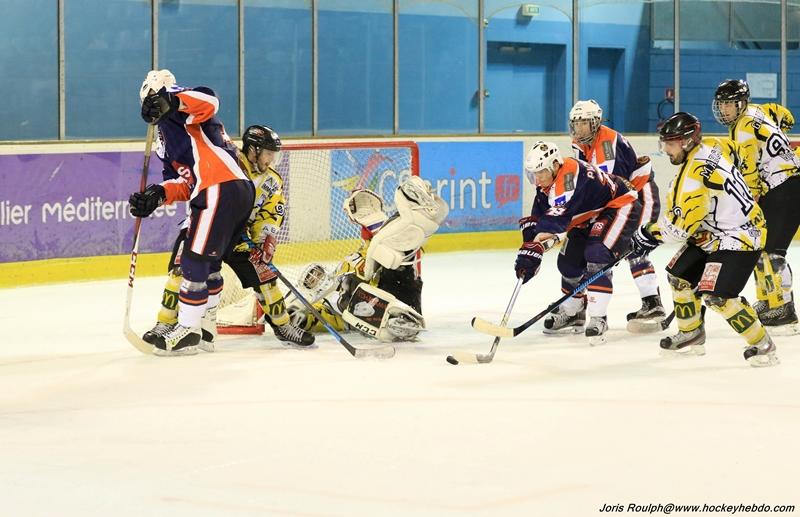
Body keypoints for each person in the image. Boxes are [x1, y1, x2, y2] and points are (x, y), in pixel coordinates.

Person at [140, 123, 315, 351]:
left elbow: (271, 214)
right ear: (253, 149)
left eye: (274, 154)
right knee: (181, 272)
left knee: (264, 276)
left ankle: (283, 326)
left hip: (241, 237)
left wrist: (264, 240)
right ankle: (165, 323)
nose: (271, 159)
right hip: (206, 223)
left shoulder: (272, 181)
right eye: (268, 153)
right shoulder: (227, 160)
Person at [631, 112, 778, 367]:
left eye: (670, 143)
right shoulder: (712, 145)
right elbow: (738, 153)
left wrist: (648, 233)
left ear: (687, 141)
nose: (665, 149)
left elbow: (677, 231)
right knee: (679, 277)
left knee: (719, 297)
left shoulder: (691, 177)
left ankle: (763, 344)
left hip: (741, 236)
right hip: (716, 232)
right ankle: (691, 333)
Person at [129, 69, 255, 356]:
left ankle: (187, 329)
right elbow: (184, 183)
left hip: (219, 185)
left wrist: (171, 100)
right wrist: (157, 194)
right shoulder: (165, 139)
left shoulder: (183, 106)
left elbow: (209, 100)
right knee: (210, 265)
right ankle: (206, 329)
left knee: (193, 260)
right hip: (227, 188)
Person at [288, 177, 449, 342]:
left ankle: (419, 212)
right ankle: (393, 320)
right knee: (349, 287)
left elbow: (371, 248)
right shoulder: (326, 305)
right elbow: (315, 320)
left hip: (400, 285)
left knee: (391, 249)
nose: (317, 278)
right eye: (312, 281)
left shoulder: (345, 265)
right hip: (376, 309)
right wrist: (295, 317)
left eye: (316, 274)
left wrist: (370, 222)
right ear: (311, 292)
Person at [514, 141, 640, 345]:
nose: (538, 178)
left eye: (541, 172)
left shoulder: (568, 179)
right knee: (568, 263)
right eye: (534, 173)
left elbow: (554, 223)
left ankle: (598, 317)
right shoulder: (547, 181)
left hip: (619, 205)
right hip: (589, 214)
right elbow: (539, 217)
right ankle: (574, 312)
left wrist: (533, 251)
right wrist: (529, 248)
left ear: (555, 165)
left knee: (597, 253)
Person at [569, 100, 666, 332]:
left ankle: (652, 303)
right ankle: (649, 302)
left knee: (636, 247)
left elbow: (611, 190)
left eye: (584, 123)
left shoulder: (607, 145)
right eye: (576, 123)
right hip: (623, 199)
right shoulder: (581, 144)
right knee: (613, 247)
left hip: (639, 196)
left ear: (595, 123)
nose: (579, 128)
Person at [713, 79, 800, 332]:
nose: (724, 109)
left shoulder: (742, 128)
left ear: (741, 103)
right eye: (722, 104)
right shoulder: (760, 110)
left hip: (785, 187)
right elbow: (786, 116)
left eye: (729, 104)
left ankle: (784, 309)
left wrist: (747, 203)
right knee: (761, 249)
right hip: (786, 184)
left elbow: (749, 172)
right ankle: (769, 300)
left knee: (772, 253)